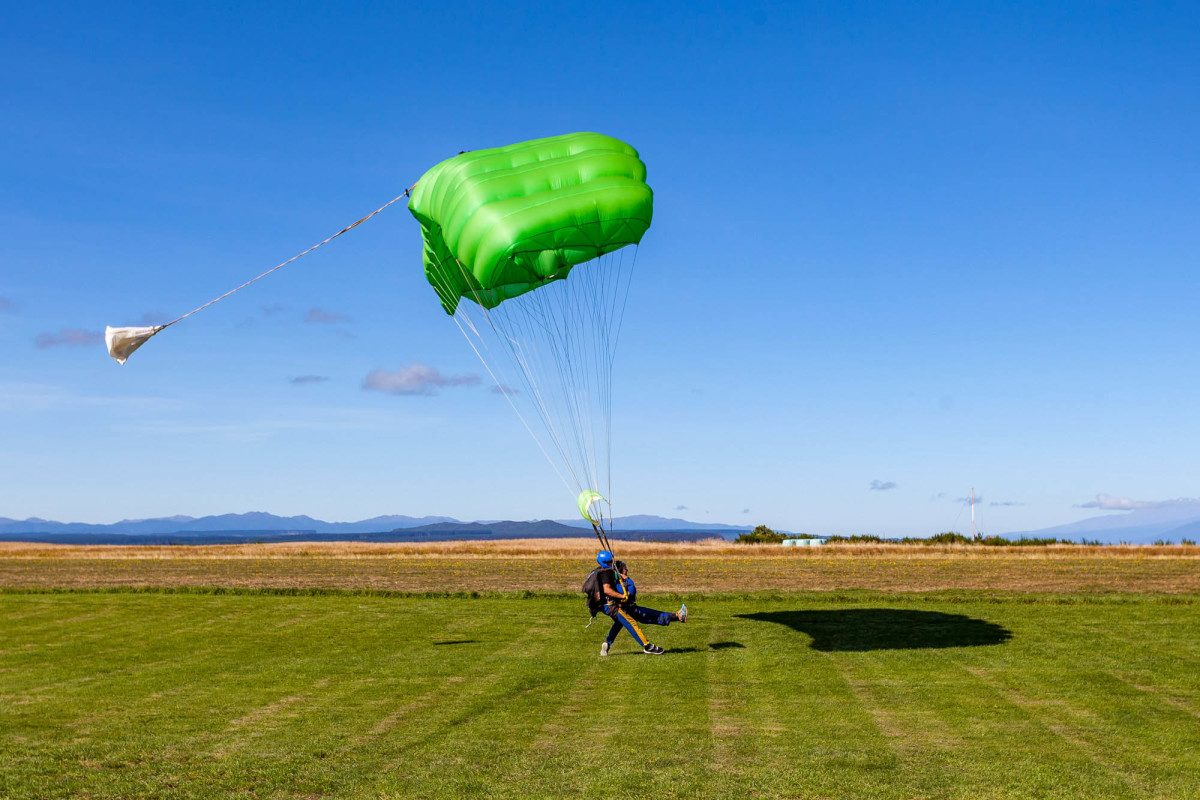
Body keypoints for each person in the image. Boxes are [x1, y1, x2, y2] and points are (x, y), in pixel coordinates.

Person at [597, 553, 687, 656]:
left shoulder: (612, 580)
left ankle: (607, 643)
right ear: (621, 570)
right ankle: (648, 646)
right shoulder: (623, 582)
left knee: (620, 623)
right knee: (650, 616)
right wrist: (626, 580)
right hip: (629, 609)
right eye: (625, 568)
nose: (627, 570)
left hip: (623, 609)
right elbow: (631, 592)